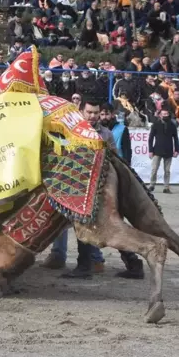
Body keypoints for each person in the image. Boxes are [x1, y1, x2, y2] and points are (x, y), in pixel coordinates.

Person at [41, 100, 113, 278]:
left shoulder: (107, 134)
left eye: (96, 113)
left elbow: (114, 159)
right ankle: (59, 255)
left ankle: (95, 261)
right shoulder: (70, 130)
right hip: (72, 185)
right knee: (62, 222)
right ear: (81, 112)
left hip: (96, 187)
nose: (93, 116)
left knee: (90, 226)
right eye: (89, 112)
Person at [99, 103, 144, 279]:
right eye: (101, 113)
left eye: (105, 113)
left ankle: (133, 262)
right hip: (106, 180)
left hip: (116, 179)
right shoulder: (95, 130)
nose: (103, 116)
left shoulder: (119, 131)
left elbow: (127, 153)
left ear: (111, 115)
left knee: (114, 224)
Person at [148, 107, 179, 193]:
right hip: (157, 150)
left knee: (167, 171)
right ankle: (151, 185)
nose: (165, 115)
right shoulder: (155, 124)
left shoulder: (172, 125)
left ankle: (166, 187)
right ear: (160, 115)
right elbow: (150, 138)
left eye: (166, 114)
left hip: (168, 150)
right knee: (154, 169)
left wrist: (177, 150)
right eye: (163, 114)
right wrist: (150, 150)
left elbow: (176, 138)